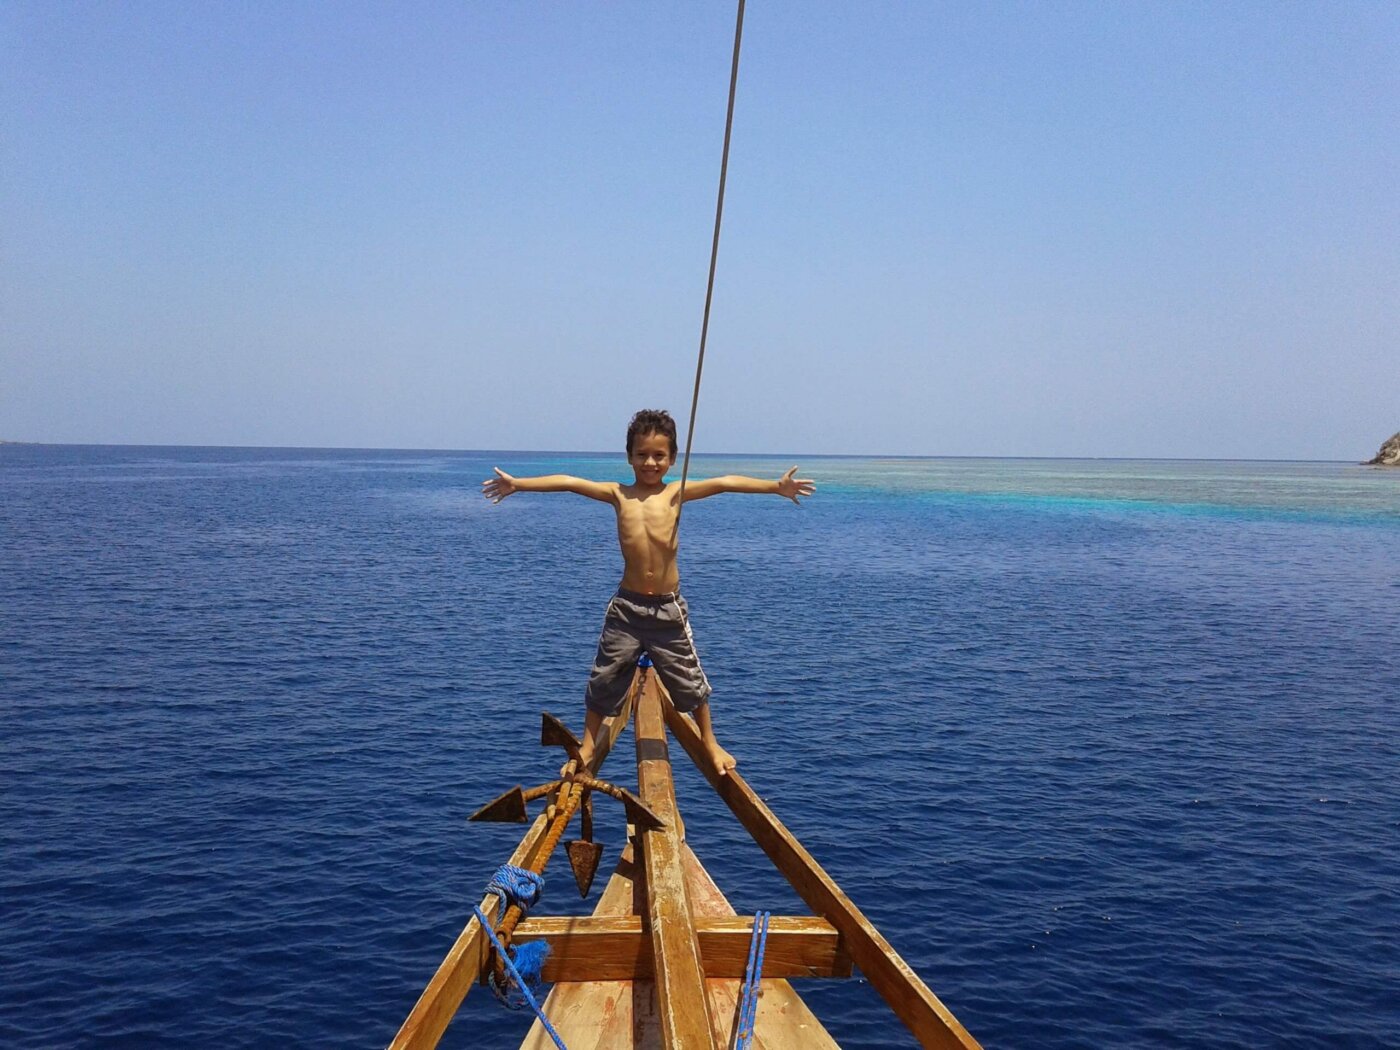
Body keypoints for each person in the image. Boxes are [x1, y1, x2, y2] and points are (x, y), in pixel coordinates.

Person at [482, 408, 815, 777]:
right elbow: (569, 481)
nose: (650, 462)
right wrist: (519, 484)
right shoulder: (618, 495)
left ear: (672, 459)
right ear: (629, 457)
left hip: (667, 609)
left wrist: (775, 487)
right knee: (604, 678)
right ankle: (589, 744)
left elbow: (724, 482)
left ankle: (709, 740)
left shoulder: (676, 494)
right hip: (627, 608)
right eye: (642, 454)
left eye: (659, 455)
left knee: (690, 679)